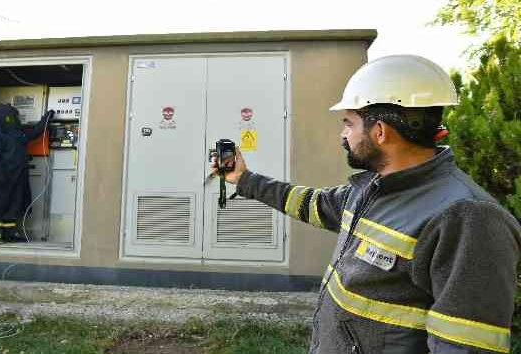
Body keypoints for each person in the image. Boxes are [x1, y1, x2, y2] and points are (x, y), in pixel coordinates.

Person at [214, 55, 521, 353]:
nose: (343, 135)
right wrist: (243, 178)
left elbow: (464, 347)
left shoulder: (469, 217)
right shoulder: (373, 189)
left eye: (349, 124)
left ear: (380, 132)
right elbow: (312, 204)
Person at [0, 104, 54, 243]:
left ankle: (9, 234)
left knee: (14, 204)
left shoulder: (18, 133)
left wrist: (46, 118)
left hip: (17, 177)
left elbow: (35, 132)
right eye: (12, 116)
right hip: (2, 176)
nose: (15, 119)